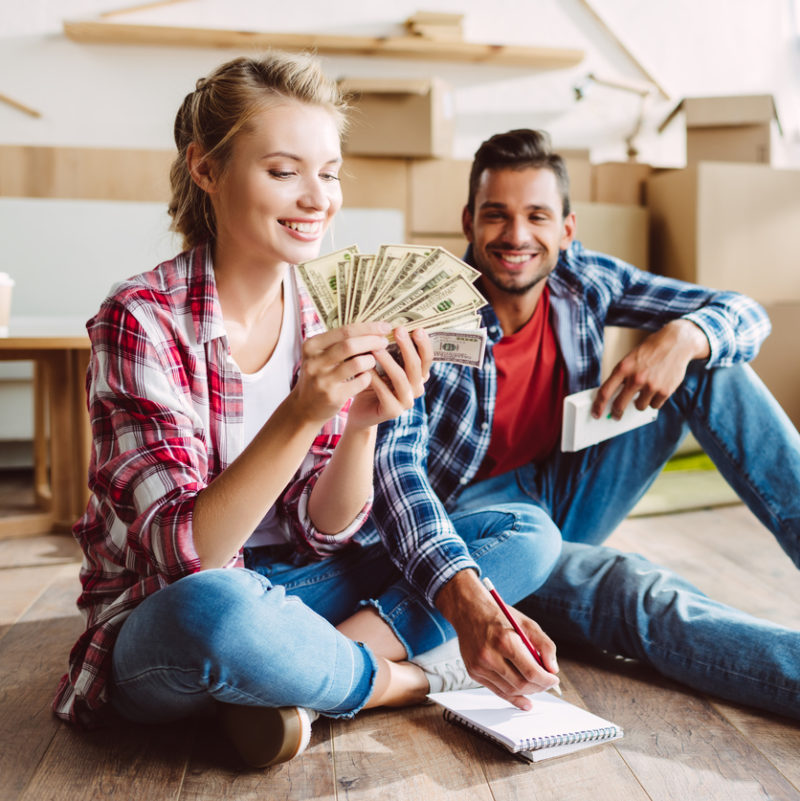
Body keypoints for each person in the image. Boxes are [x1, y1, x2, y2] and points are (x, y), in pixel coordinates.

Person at [365, 128, 800, 757]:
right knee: (638, 591)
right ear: (468, 221)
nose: (516, 234)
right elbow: (397, 477)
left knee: (710, 363)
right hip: (486, 535)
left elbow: (746, 313)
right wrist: (465, 596)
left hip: (564, 489)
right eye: (496, 214)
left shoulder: (584, 282)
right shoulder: (427, 312)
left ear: (568, 228)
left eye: (537, 216)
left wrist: (685, 335)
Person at [51, 56, 563, 769]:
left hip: (297, 590)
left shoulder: (325, 311)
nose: (317, 198)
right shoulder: (141, 318)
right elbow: (187, 555)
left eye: (329, 173)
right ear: (205, 169)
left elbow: (323, 534)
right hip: (172, 613)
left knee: (525, 532)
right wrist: (300, 412)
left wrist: (361, 427)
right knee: (220, 610)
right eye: (284, 171)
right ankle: (397, 681)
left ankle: (289, 680)